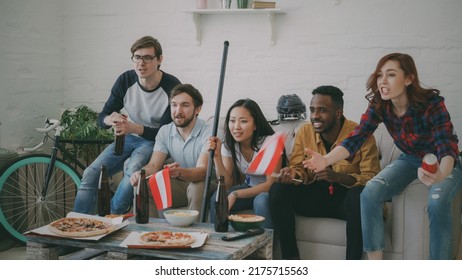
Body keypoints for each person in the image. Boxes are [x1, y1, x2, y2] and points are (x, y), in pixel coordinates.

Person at [305, 53, 462, 260]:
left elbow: (446, 144)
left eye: (391, 75)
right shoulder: (380, 104)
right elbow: (357, 137)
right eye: (380, 75)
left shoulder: (431, 103)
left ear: (408, 79)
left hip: (442, 160)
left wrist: (442, 173)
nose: (383, 81)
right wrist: (326, 160)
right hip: (410, 158)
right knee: (370, 192)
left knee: (437, 202)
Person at [269, 85, 380, 260]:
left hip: (346, 201)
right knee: (278, 190)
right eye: (312, 110)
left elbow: (372, 179)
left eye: (322, 110)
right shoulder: (305, 131)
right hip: (316, 197)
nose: (315, 116)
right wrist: (293, 174)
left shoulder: (360, 135)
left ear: (338, 113)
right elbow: (298, 168)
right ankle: (291, 262)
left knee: (359, 196)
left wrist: (337, 177)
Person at [73, 36, 181, 214]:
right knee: (91, 174)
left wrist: (135, 128)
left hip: (155, 143)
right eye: (137, 57)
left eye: (147, 58)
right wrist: (111, 119)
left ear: (159, 60)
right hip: (129, 137)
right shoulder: (125, 80)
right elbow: (103, 116)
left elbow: (166, 132)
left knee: (133, 168)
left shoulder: (172, 86)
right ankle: (76, 224)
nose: (141, 63)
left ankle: (113, 216)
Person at [130, 83, 214, 219]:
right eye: (174, 105)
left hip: (207, 183)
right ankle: (149, 233)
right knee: (144, 185)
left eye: (185, 105)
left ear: (197, 109)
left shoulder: (208, 131)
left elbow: (202, 172)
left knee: (195, 187)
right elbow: (153, 166)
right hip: (180, 184)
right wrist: (141, 173)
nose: (178, 111)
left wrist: (180, 172)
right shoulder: (165, 131)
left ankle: (197, 234)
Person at [207, 99, 282, 229]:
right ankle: (221, 239)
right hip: (249, 187)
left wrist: (236, 194)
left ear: (255, 125)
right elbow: (227, 183)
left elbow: (270, 184)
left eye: (243, 121)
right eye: (232, 120)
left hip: (270, 192)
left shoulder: (271, 143)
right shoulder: (229, 144)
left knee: (261, 201)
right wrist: (217, 156)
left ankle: (267, 247)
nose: (236, 127)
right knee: (217, 198)